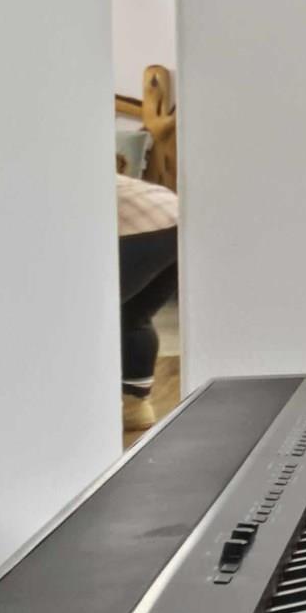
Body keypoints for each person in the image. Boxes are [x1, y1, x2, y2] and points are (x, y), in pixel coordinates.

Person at [117, 171, 178, 431]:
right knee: (133, 315)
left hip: (135, 232)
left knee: (83, 318)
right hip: (176, 216)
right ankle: (134, 408)